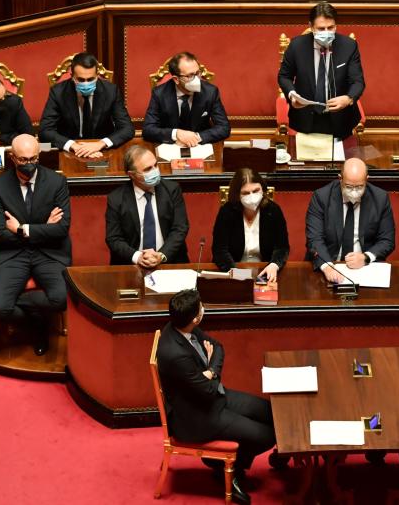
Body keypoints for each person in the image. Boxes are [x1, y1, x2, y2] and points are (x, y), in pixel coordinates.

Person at [157, 288, 277, 504]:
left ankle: (229, 466)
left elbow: (218, 348)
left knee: (270, 412)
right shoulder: (175, 354)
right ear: (196, 317)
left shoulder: (183, 326)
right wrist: (212, 373)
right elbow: (209, 388)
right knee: (267, 436)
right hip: (197, 417)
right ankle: (230, 470)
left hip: (210, 397)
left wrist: (210, 372)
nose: (203, 308)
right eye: (201, 307)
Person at [0, 134, 71, 356]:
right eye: (23, 160)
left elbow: (61, 229)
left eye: (33, 159)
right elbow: (1, 234)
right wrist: (44, 227)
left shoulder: (57, 182)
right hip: (12, 253)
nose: (29, 164)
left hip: (49, 252)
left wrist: (23, 229)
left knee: (61, 299)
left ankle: (18, 304)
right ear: (13, 158)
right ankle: (37, 324)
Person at [277, 1, 365, 139]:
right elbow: (284, 76)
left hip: (340, 119)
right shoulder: (296, 46)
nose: (327, 33)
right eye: (321, 28)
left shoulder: (349, 46)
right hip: (305, 117)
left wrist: (348, 99)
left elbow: (358, 81)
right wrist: (292, 94)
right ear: (311, 27)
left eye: (331, 28)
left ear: (336, 26)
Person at [305, 157, 395, 284]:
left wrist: (366, 257)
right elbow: (314, 239)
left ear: (366, 180)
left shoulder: (380, 199)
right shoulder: (322, 197)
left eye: (359, 187)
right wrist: (328, 267)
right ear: (340, 179)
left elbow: (387, 240)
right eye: (348, 186)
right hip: (328, 264)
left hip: (364, 269)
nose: (354, 192)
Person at [105, 144, 190, 267]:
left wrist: (160, 256)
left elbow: (180, 228)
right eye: (147, 169)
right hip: (131, 265)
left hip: (169, 262)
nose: (155, 171)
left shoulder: (172, 190)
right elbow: (114, 238)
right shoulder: (116, 199)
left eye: (155, 165)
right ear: (132, 174)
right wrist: (138, 257)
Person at [39, 52, 135, 158]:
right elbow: (45, 131)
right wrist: (73, 145)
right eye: (80, 79)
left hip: (101, 150)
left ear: (97, 76)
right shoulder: (58, 92)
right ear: (72, 76)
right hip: (69, 151)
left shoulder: (111, 91)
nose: (86, 83)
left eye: (90, 79)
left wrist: (101, 144)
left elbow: (127, 128)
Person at [211, 168, 289, 281]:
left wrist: (274, 265)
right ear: (237, 194)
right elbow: (219, 250)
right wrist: (237, 273)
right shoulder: (227, 212)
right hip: (233, 270)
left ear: (263, 189)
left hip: (265, 270)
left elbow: (282, 247)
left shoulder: (273, 211)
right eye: (246, 193)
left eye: (256, 190)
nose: (252, 196)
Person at [142, 51, 231, 146]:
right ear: (176, 79)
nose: (197, 79)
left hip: (199, 146)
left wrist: (195, 137)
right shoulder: (160, 94)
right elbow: (148, 130)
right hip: (171, 146)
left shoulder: (210, 92)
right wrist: (176, 134)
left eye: (197, 73)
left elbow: (224, 128)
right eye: (190, 75)